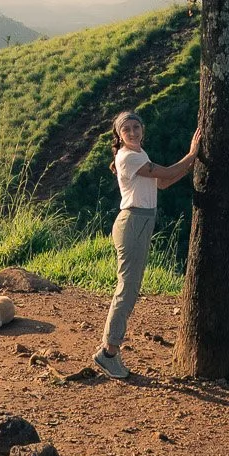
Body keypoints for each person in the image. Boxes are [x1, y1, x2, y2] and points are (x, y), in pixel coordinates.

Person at [92, 111, 201, 380]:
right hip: (134, 223)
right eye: (126, 129)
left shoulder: (140, 153)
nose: (132, 131)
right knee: (127, 289)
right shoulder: (130, 156)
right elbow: (166, 172)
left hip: (139, 222)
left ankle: (109, 349)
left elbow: (162, 182)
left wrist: (188, 164)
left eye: (136, 126)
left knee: (129, 287)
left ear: (143, 129)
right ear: (119, 135)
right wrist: (192, 154)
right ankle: (108, 353)